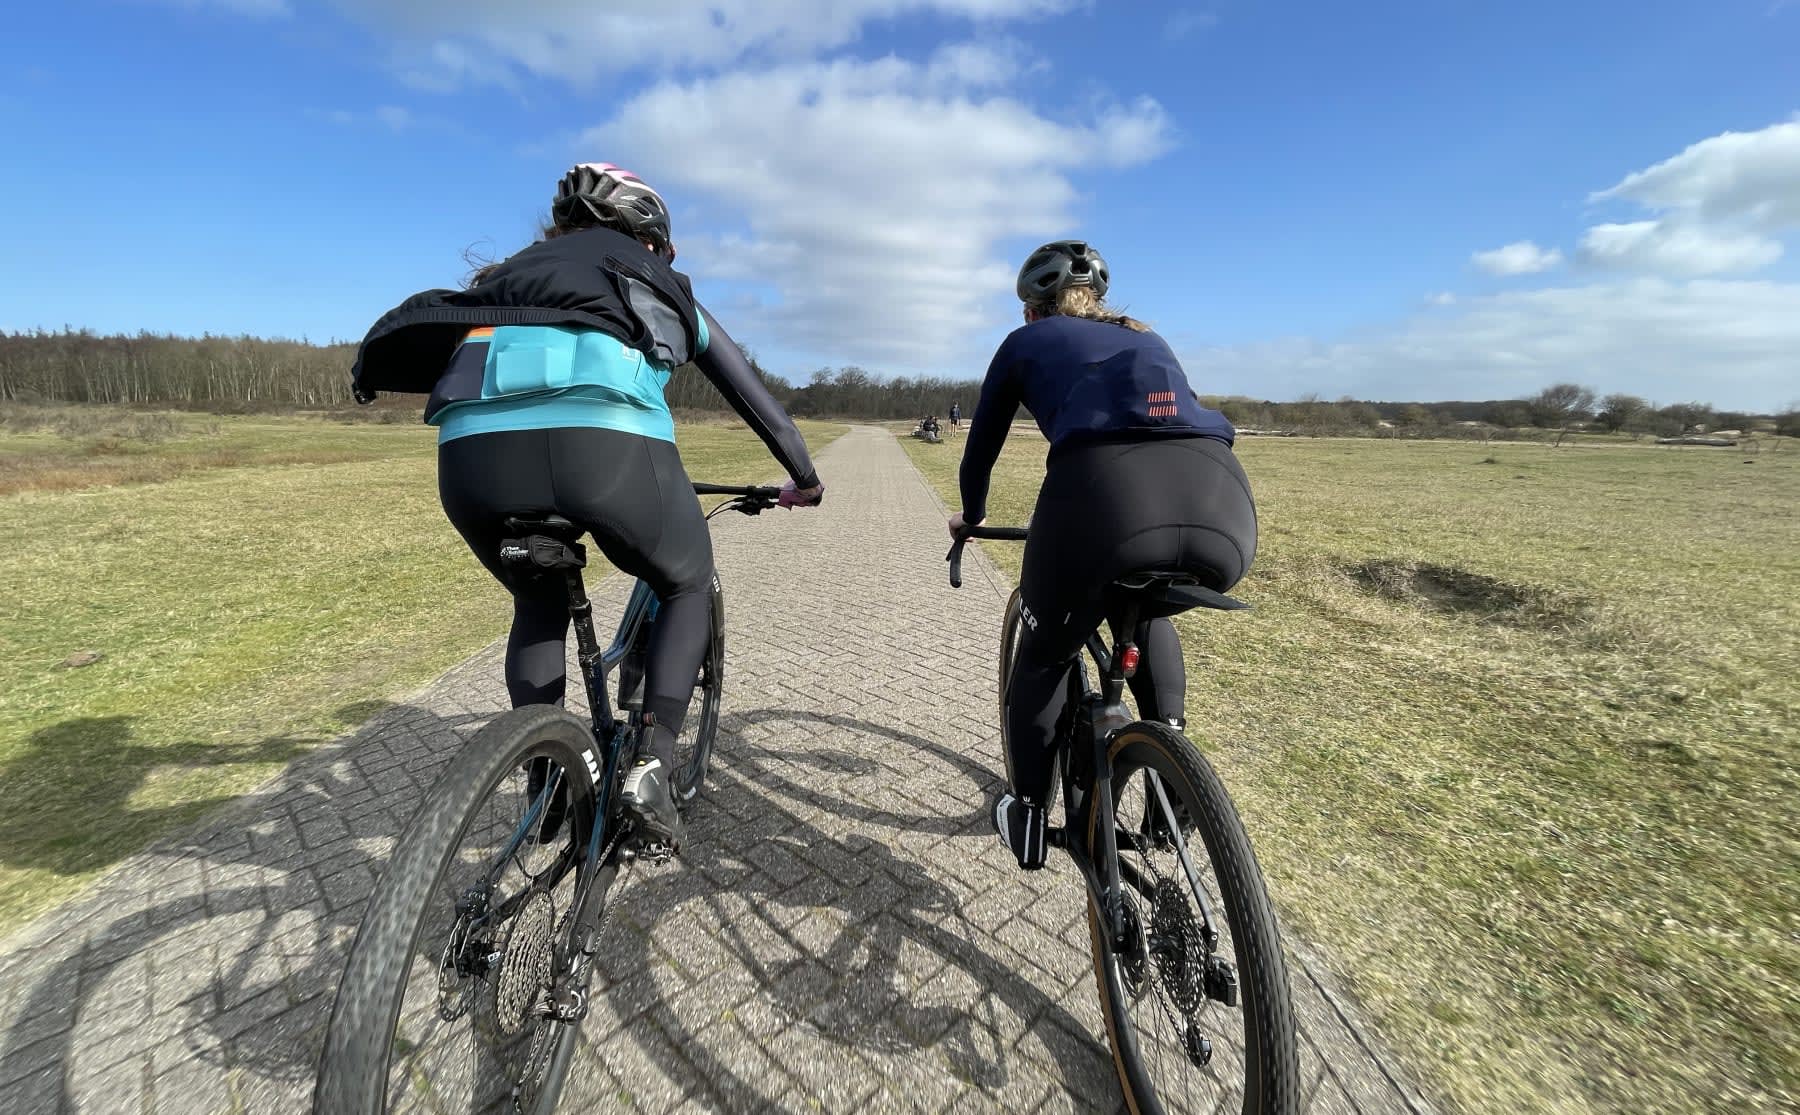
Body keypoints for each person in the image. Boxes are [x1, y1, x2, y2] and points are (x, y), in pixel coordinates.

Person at [350, 163, 824, 847]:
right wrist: (804, 476)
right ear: (651, 238)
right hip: (601, 448)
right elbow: (753, 396)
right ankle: (655, 764)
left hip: (469, 457)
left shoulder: (507, 274)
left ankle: (542, 785)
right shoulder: (654, 275)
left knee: (536, 601)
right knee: (687, 579)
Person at [950, 240, 1255, 870]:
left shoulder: (1024, 342)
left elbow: (979, 449)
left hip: (1103, 498)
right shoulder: (1148, 337)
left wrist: (972, 516)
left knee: (1042, 654)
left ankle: (1031, 816)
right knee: (1148, 610)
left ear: (1034, 309)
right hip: (1221, 503)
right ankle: (1172, 772)